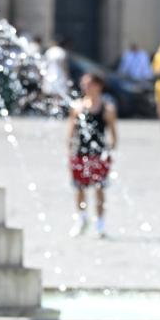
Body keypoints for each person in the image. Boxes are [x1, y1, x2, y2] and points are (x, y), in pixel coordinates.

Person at [67, 72, 118, 239]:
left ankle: (100, 223)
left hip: (99, 154)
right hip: (80, 153)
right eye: (84, 84)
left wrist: (109, 152)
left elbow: (113, 134)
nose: (85, 87)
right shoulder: (77, 107)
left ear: (98, 86)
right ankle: (81, 219)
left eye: (89, 84)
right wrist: (69, 152)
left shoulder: (107, 108)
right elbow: (71, 132)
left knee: (99, 188)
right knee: (79, 188)